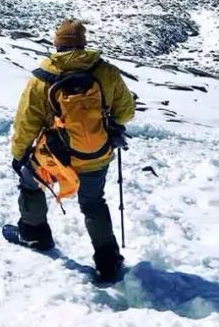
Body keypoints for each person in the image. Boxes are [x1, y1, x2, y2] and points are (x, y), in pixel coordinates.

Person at [10, 19, 136, 282]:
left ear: (57, 44)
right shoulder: (106, 72)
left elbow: (26, 122)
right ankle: (108, 260)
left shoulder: (41, 78)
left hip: (55, 157)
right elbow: (126, 111)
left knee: (30, 183)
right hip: (96, 154)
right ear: (83, 42)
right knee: (93, 203)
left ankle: (35, 235)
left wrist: (19, 154)